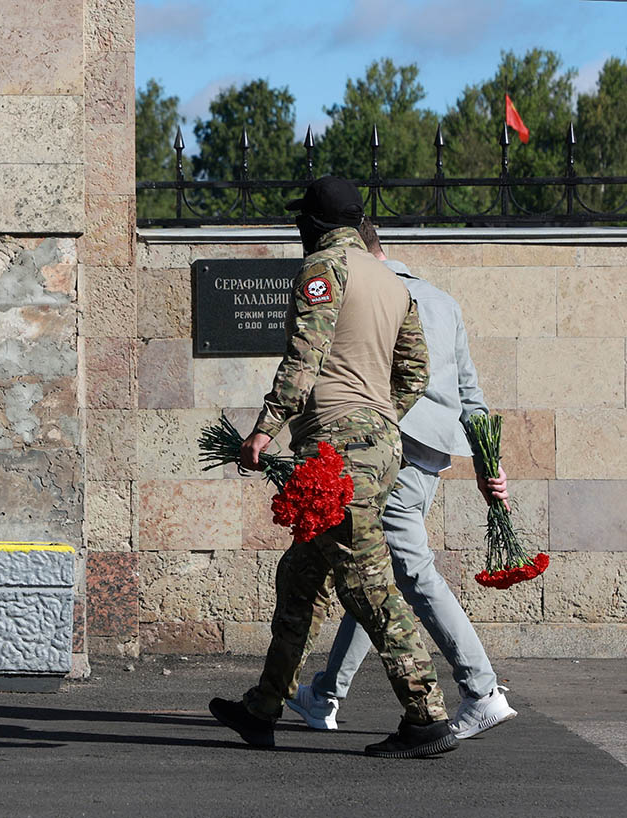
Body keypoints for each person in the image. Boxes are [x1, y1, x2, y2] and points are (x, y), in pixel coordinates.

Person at [209, 176, 456, 758]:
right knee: (300, 577)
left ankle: (427, 716)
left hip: (338, 450)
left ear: (314, 224)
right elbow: (416, 370)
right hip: (377, 443)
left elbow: (305, 354)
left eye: (302, 222)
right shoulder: (392, 281)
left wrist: (266, 428)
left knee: (367, 583)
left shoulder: (324, 269)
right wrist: (379, 420)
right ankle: (264, 707)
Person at [286, 218, 516, 739]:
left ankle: (481, 690)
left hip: (386, 446)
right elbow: (471, 395)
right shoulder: (443, 301)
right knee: (373, 571)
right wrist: (488, 464)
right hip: (432, 452)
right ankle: (325, 694)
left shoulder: (367, 293)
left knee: (410, 572)